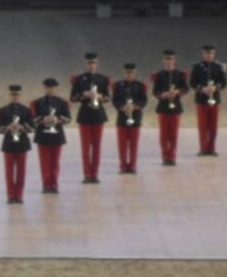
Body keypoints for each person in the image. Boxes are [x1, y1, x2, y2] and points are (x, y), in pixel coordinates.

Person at [70, 52, 110, 184]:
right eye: (89, 63)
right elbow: (73, 98)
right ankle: (87, 174)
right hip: (85, 115)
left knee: (97, 147)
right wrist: (84, 95)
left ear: (96, 64)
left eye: (93, 63)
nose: (91, 65)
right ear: (86, 64)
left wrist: (99, 96)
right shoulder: (79, 79)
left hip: (98, 115)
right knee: (86, 147)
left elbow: (107, 97)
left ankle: (95, 174)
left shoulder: (102, 79)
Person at [0, 85, 36, 204]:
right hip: (8, 143)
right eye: (13, 94)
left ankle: (19, 195)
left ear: (20, 96)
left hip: (22, 143)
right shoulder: (3, 110)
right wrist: (8, 127)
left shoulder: (26, 110)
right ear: (10, 95)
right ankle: (10, 195)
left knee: (21, 171)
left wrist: (22, 127)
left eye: (17, 95)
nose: (15, 97)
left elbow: (32, 128)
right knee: (9, 172)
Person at [30, 77, 71, 193]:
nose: (50, 90)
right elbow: (33, 118)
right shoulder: (38, 103)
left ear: (56, 88)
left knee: (55, 162)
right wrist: (43, 120)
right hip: (43, 135)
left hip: (57, 135)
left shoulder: (62, 102)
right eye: (48, 87)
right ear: (44, 88)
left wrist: (57, 120)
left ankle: (54, 185)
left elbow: (68, 118)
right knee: (45, 162)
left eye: (52, 88)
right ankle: (46, 185)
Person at [151, 49, 190, 166]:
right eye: (166, 59)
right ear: (163, 61)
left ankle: (172, 157)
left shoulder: (179, 75)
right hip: (163, 108)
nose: (168, 62)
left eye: (171, 59)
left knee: (173, 134)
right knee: (164, 135)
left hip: (176, 107)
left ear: (174, 60)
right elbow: (155, 91)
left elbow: (185, 88)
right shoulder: (159, 75)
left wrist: (177, 92)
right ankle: (165, 157)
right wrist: (163, 94)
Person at [189, 44, 227, 156]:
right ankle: (203, 148)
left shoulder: (219, 67)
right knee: (202, 125)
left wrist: (215, 88)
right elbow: (192, 82)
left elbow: (224, 82)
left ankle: (211, 148)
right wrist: (202, 89)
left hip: (214, 99)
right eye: (206, 53)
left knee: (213, 126)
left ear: (214, 54)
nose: (208, 55)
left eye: (210, 53)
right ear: (203, 54)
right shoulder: (197, 67)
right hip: (201, 99)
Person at [111, 63, 149, 174]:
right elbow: (115, 100)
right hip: (122, 118)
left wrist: (135, 106)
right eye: (127, 72)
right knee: (122, 145)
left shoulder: (140, 86)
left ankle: (132, 165)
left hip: (135, 118)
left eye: (131, 72)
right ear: (124, 73)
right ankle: (123, 166)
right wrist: (122, 107)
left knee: (134, 144)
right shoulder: (118, 85)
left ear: (135, 73)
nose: (129, 74)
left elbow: (144, 101)